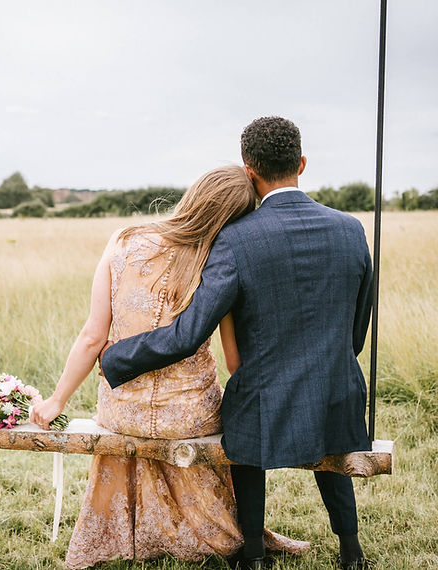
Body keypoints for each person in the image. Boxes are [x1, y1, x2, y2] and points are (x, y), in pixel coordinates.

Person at [100, 116, 374, 570]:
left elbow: (188, 335)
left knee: (244, 423)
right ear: (301, 163)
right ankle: (351, 549)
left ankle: (252, 555)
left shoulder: (236, 239)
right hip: (337, 395)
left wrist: (115, 355)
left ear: (249, 169)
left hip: (263, 403)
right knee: (327, 429)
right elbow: (357, 332)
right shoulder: (351, 230)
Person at [30, 165, 309, 569]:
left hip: (121, 410)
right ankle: (214, 529)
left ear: (194, 194)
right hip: (189, 414)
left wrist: (58, 400)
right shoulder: (218, 263)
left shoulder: (124, 240)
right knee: (213, 418)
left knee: (131, 421)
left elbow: (93, 336)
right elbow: (234, 361)